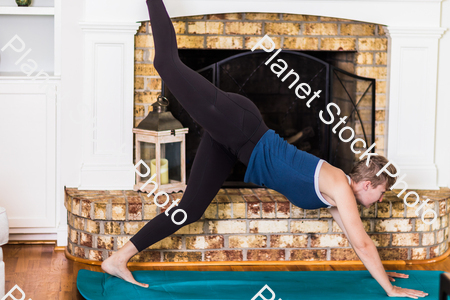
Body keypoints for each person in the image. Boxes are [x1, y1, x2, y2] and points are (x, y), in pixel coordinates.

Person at [101, 0, 428, 298]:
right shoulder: (340, 187)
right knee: (166, 64)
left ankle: (118, 259)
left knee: (190, 210)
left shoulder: (339, 195)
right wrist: (390, 291)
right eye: (383, 192)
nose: (382, 199)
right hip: (240, 128)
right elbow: (363, 241)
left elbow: (358, 243)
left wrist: (383, 275)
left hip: (235, 145)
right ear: (368, 183)